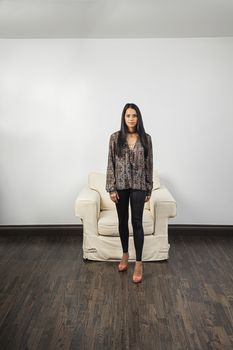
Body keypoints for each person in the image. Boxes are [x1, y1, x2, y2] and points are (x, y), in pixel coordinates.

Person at [105, 103, 153, 283]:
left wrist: (149, 187)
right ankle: (125, 254)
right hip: (121, 186)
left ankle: (139, 263)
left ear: (138, 118)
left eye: (134, 115)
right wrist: (111, 187)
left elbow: (150, 164)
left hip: (139, 185)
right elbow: (110, 163)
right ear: (123, 118)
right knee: (122, 221)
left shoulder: (146, 139)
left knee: (137, 222)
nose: (131, 118)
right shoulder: (114, 138)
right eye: (128, 115)